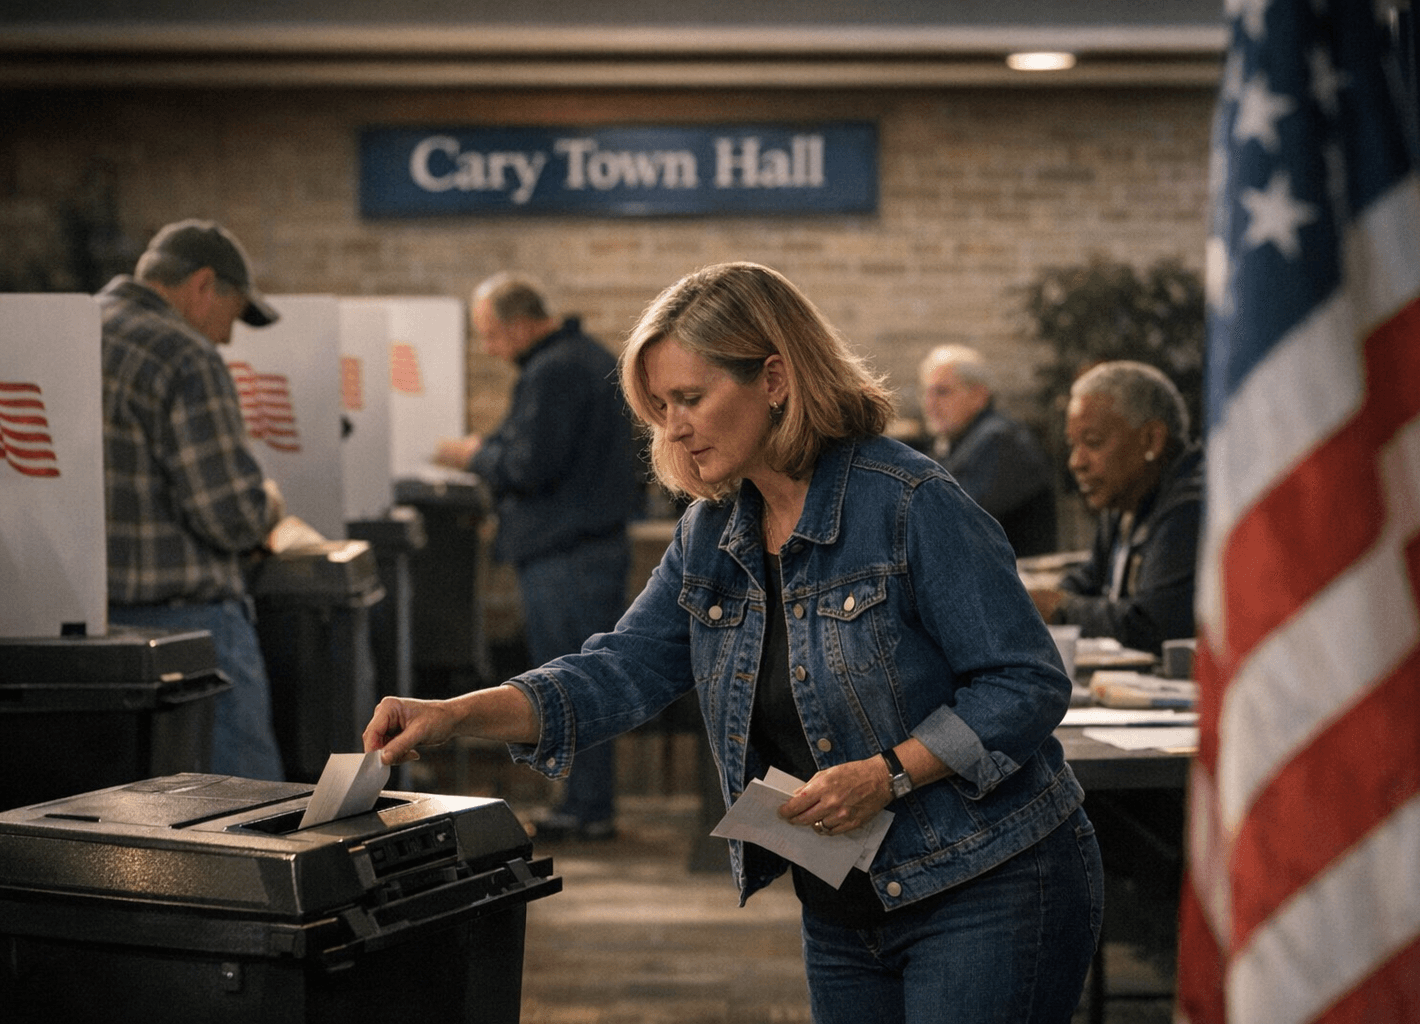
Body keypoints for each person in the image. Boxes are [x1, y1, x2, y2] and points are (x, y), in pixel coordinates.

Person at [369, 262, 1102, 1023]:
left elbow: (1025, 683)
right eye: (660, 408)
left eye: (690, 398)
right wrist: (456, 714)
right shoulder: (712, 531)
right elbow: (619, 669)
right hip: (844, 901)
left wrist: (889, 774)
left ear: (775, 378)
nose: (673, 427)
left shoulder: (910, 501)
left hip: (989, 881)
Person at [432, 273, 642, 841]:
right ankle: (584, 803)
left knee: (575, 679)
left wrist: (475, 454)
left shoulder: (555, 371)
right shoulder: (578, 358)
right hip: (581, 550)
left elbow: (528, 463)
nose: (490, 350)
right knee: (582, 674)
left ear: (520, 322)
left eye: (492, 336)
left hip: (567, 555)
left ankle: (586, 809)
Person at [96, 219, 287, 780]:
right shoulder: (184, 356)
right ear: (205, 285)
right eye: (234, 313)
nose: (227, 338)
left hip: (89, 635)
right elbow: (232, 515)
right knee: (244, 811)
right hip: (190, 628)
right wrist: (270, 503)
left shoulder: (67, 331)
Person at [1027, 360, 1202, 654]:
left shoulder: (1191, 504)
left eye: (1092, 442)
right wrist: (1037, 599)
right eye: (1073, 445)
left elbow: (1154, 627)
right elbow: (1090, 581)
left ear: (1152, 440)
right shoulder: (1127, 495)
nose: (1076, 462)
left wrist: (1056, 606)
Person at [918, 344, 1057, 557]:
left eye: (942, 392)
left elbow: (951, 521)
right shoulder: (959, 440)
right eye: (927, 393)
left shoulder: (999, 440)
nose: (931, 404)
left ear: (978, 395)